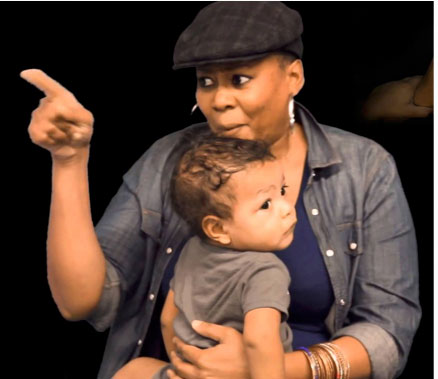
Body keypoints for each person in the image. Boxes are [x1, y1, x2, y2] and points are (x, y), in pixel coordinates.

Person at [21, 2, 420, 379]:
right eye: (206, 82)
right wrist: (69, 160)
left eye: (239, 79)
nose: (219, 101)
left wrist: (276, 368)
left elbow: (389, 331)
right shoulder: (168, 160)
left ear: (293, 77)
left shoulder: (365, 169)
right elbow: (83, 301)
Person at [151, 133, 296, 379]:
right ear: (218, 229)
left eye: (282, 190)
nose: (286, 208)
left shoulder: (191, 250)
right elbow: (260, 342)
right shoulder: (265, 271)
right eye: (266, 204)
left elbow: (167, 319)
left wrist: (180, 367)